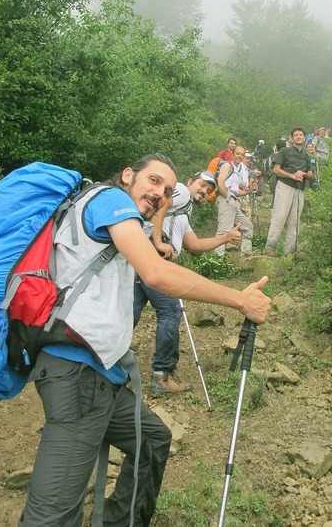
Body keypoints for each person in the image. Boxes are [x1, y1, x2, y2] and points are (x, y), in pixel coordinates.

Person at [19, 154, 271, 527]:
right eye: (153, 181)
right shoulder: (110, 200)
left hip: (102, 378)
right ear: (127, 176)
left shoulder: (125, 224)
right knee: (52, 514)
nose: (159, 193)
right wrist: (239, 300)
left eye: (167, 190)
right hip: (76, 377)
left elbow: (152, 261)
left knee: (152, 441)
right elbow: (155, 273)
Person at [133, 171, 241, 396]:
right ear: (191, 181)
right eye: (202, 185)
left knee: (128, 313)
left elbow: (194, 244)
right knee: (171, 310)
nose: (204, 191)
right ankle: (162, 375)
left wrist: (225, 238)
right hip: (154, 257)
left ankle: (103, 361)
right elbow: (163, 203)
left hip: (141, 258)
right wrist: (157, 241)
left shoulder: (184, 212)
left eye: (209, 190)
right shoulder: (180, 190)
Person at [264, 128, 314, 256]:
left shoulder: (306, 156)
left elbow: (311, 174)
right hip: (285, 185)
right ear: (291, 138)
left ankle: (290, 252)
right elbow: (276, 169)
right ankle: (270, 247)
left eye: (300, 135)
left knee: (295, 220)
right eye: (295, 135)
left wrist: (303, 173)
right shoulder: (284, 151)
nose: (298, 137)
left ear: (304, 137)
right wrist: (291, 175)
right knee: (279, 216)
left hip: (299, 189)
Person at [214, 145, 255, 257]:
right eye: (238, 153)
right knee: (223, 231)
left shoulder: (237, 170)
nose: (240, 156)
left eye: (242, 154)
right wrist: (227, 197)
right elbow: (220, 182)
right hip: (225, 200)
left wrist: (248, 191)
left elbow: (236, 192)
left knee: (248, 226)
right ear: (232, 154)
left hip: (233, 201)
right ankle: (217, 260)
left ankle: (246, 255)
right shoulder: (227, 166)